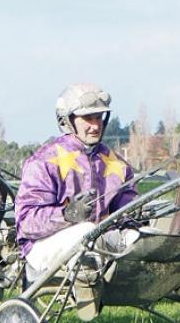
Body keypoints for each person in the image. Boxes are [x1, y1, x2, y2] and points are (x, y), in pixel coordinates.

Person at [15, 83, 138, 275]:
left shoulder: (118, 165)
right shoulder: (43, 162)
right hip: (41, 247)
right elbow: (26, 223)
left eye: (98, 117)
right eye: (87, 118)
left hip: (97, 242)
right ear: (67, 120)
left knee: (137, 237)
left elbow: (127, 212)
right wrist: (67, 214)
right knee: (86, 231)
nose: (95, 126)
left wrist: (132, 219)